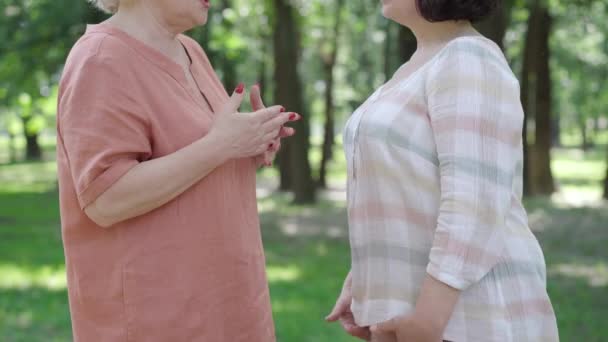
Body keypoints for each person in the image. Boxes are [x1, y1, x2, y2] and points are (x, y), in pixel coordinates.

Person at [56, 0, 300, 340]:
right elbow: (106, 199)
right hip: (160, 318)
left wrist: (250, 142)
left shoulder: (189, 50)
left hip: (231, 303)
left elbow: (200, 154)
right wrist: (220, 146)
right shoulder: (100, 59)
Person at [326, 0, 560, 341]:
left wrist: (427, 322)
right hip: (413, 316)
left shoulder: (468, 58)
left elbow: (474, 203)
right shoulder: (415, 68)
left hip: (471, 318)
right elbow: (407, 189)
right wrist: (365, 280)